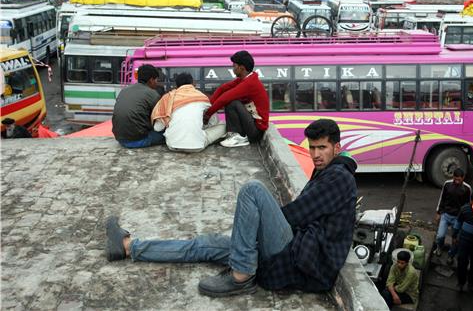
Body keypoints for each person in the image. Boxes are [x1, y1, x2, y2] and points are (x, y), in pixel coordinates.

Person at [105, 119, 357, 297]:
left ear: (337, 148)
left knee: (253, 190)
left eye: (322, 148)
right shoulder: (326, 171)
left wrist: (253, 229)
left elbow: (294, 216)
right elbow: (296, 217)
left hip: (301, 260)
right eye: (312, 147)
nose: (315, 154)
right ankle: (129, 247)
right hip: (294, 247)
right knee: (204, 244)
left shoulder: (339, 178)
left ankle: (241, 277)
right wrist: (248, 235)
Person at [203, 50, 269, 148]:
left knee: (232, 102)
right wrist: (209, 105)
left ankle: (238, 136)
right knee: (232, 101)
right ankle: (234, 134)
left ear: (241, 68)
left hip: (256, 131)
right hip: (251, 123)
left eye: (234, 66)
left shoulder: (250, 83)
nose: (233, 68)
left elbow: (224, 98)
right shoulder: (244, 79)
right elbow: (222, 88)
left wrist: (208, 114)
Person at [151, 72, 226, 152]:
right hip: (198, 146)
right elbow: (212, 118)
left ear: (176, 85)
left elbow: (157, 128)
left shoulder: (167, 98)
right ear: (192, 83)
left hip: (172, 145)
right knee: (224, 125)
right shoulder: (201, 97)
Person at [112, 64, 165, 148]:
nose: (157, 83)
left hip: (120, 139)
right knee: (167, 134)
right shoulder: (152, 94)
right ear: (151, 80)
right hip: (138, 140)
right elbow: (160, 119)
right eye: (156, 80)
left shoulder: (124, 90)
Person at [434, 168, 472, 265]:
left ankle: (451, 256)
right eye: (455, 179)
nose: (457, 181)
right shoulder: (447, 184)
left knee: (455, 239)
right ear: (453, 177)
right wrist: (438, 212)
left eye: (459, 179)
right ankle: (439, 247)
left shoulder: (467, 188)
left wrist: (465, 219)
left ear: (463, 178)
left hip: (458, 218)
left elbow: (468, 205)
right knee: (440, 235)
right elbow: (442, 198)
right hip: (445, 215)